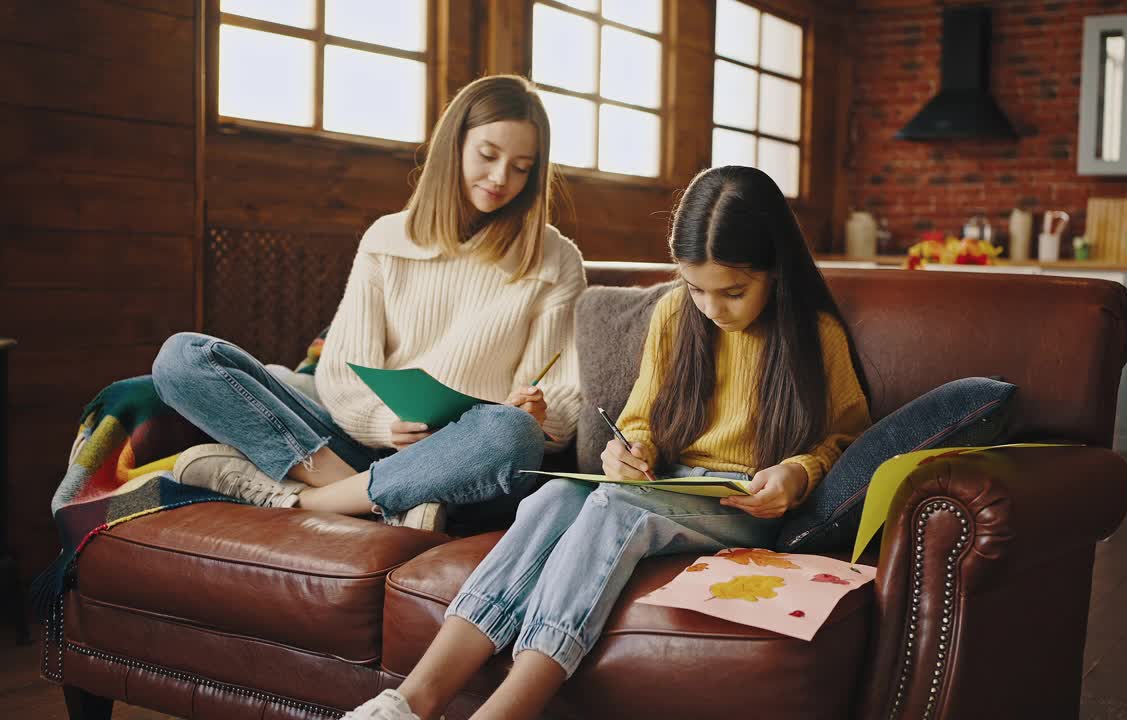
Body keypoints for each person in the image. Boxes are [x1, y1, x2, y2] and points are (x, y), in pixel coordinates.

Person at [343, 165, 872, 720]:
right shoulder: (674, 315)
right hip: (666, 484)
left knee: (614, 508)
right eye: (697, 289)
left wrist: (800, 471)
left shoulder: (816, 335)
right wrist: (629, 450)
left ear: (776, 270)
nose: (713, 309)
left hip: (742, 500)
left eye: (734, 292)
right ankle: (409, 701)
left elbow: (847, 437)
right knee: (552, 498)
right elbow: (640, 418)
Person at [151, 75, 584, 530]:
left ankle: (315, 503)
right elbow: (339, 374)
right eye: (488, 155)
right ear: (453, 146)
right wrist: (383, 424)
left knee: (510, 432)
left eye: (521, 167)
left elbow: (559, 394)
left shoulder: (555, 259)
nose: (501, 178)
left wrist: (537, 411)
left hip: (466, 462)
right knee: (183, 358)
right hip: (366, 444)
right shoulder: (386, 238)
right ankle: (383, 500)